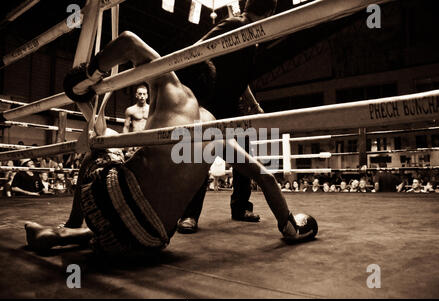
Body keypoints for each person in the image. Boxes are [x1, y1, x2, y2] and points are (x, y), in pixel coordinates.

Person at [25, 29, 317, 256]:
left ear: (179, 72)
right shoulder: (217, 130)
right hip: (146, 243)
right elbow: (265, 176)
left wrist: (89, 75)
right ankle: (67, 236)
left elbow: (128, 42)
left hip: (105, 203)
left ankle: (71, 226)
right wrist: (290, 225)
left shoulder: (172, 87)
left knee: (103, 143)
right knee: (140, 203)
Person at [176, 0, 278, 233]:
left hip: (232, 105)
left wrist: (254, 105)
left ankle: (241, 208)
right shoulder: (234, 24)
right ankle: (189, 214)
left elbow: (241, 79)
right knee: (201, 156)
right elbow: (198, 49)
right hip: (212, 102)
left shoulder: (253, 38)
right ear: (271, 11)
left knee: (243, 157)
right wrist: (202, 87)